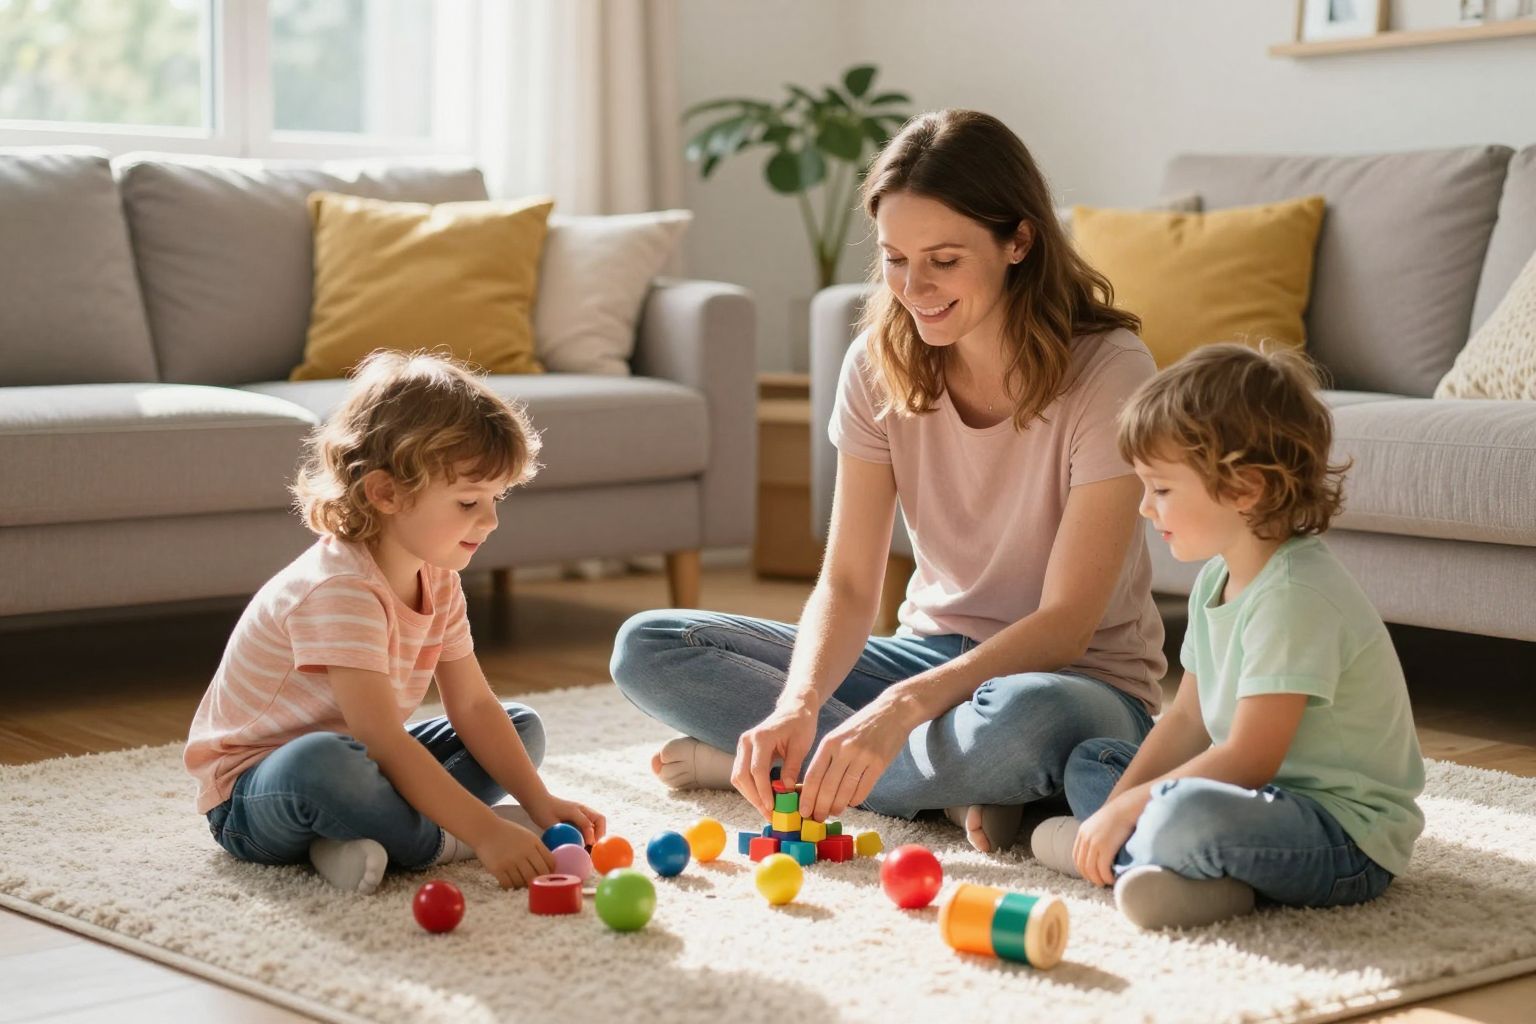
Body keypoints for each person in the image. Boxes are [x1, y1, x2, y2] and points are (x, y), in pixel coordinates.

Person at [610, 109, 1166, 853]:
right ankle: (922, 785)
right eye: (895, 258)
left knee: (1025, 724)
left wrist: (901, 708)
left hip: (1073, 683)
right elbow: (846, 582)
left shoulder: (1110, 370)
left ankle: (804, 772)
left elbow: (1067, 623)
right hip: (929, 656)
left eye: (943, 259)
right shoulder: (877, 366)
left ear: (1018, 241)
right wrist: (800, 703)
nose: (914, 287)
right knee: (651, 644)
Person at [1030, 343, 1424, 929]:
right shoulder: (1217, 574)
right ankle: (1167, 868)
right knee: (1097, 762)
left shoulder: (1296, 596)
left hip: (1341, 836)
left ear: (1245, 488)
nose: (1144, 508)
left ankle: (1150, 861)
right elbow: (1188, 721)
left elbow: (1249, 757)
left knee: (1184, 813)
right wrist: (1119, 804)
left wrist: (1133, 809)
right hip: (1251, 799)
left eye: (1161, 489)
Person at [184, 350, 605, 894]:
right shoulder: (341, 587)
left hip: (361, 759)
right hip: (257, 794)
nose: (491, 519)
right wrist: (488, 832)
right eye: (468, 501)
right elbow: (381, 738)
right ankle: (444, 841)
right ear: (385, 493)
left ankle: (355, 840)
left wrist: (540, 801)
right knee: (323, 763)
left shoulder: (439, 575)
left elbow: (473, 705)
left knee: (518, 726)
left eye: (496, 498)